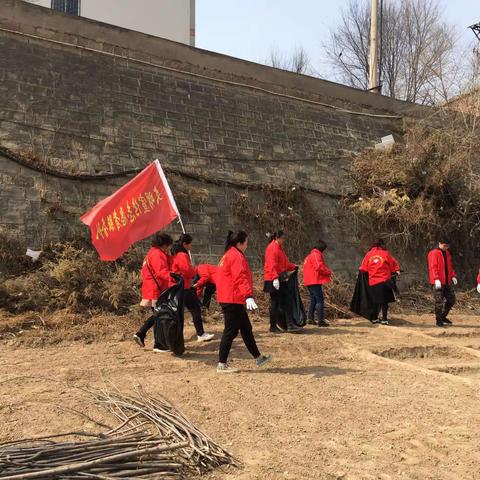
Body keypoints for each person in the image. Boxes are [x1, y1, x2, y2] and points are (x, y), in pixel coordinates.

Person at [216, 230, 272, 373]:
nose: (247, 245)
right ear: (239, 243)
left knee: (246, 329)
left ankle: (258, 357)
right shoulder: (235, 256)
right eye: (246, 242)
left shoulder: (229, 254)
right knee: (230, 332)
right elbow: (240, 277)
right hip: (233, 298)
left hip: (231, 297)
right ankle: (221, 364)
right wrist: (248, 295)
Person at [134, 233, 174, 351]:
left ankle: (141, 334)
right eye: (169, 246)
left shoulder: (152, 253)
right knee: (160, 316)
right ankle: (159, 345)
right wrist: (174, 280)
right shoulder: (157, 254)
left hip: (151, 288)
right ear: (165, 245)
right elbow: (162, 272)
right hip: (156, 289)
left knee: (158, 315)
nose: (170, 248)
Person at [171, 234, 214, 342]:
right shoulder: (182, 255)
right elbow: (187, 270)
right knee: (195, 309)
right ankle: (200, 334)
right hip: (184, 287)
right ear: (185, 244)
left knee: (181, 313)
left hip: (179, 287)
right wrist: (194, 270)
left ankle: (178, 336)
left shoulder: (176, 254)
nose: (191, 246)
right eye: (190, 244)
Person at [263, 230, 301, 333]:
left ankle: (286, 324)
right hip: (274, 278)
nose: (284, 240)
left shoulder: (279, 248)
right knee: (276, 302)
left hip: (279, 278)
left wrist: (293, 266)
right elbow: (271, 264)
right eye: (283, 238)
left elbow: (283, 264)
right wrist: (275, 278)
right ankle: (276, 325)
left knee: (284, 301)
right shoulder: (272, 248)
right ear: (277, 237)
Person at [359, 238, 400, 325]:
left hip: (373, 281)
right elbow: (393, 264)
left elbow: (363, 268)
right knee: (384, 301)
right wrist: (396, 270)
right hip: (385, 280)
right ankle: (384, 319)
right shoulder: (386, 253)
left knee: (375, 300)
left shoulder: (368, 254)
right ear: (382, 244)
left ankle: (374, 318)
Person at [427, 238, 457, 327]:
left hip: (447, 281)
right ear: (439, 243)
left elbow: (449, 266)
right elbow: (433, 267)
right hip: (437, 282)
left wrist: (453, 276)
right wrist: (436, 279)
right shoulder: (433, 253)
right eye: (444, 246)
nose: (446, 247)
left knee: (451, 299)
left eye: (448, 246)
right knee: (439, 301)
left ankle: (443, 316)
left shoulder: (447, 253)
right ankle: (438, 320)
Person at [303, 240, 332, 327]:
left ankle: (310, 319)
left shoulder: (309, 256)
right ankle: (320, 320)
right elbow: (319, 266)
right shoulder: (316, 254)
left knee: (314, 300)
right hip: (314, 281)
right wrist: (328, 272)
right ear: (322, 249)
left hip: (309, 281)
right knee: (320, 300)